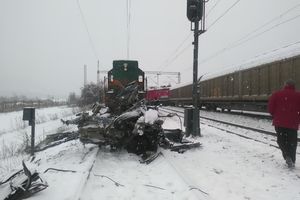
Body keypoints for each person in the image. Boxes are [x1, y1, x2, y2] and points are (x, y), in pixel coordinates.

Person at [268, 79, 300, 168]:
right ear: (294, 86)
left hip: (279, 123)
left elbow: (270, 109)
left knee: (281, 140)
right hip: (293, 124)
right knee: (292, 142)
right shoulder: (298, 95)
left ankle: (287, 156)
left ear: (285, 85)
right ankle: (292, 160)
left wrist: (276, 115)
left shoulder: (276, 94)